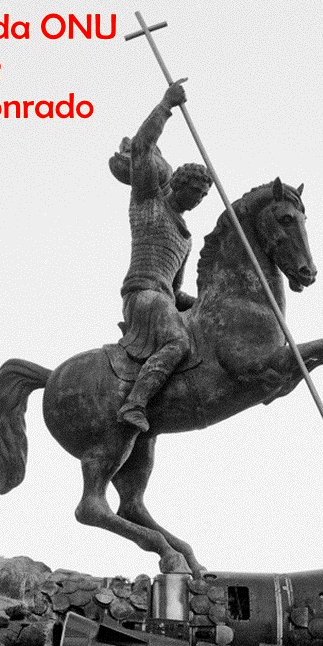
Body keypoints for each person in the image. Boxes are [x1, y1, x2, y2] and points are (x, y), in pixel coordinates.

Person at [115, 81, 213, 433]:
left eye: (202, 197)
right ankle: (135, 403)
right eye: (194, 191)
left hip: (163, 299)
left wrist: (206, 303)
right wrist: (166, 105)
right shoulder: (149, 199)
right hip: (142, 295)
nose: (196, 200)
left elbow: (176, 291)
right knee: (179, 342)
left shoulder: (185, 237)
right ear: (179, 183)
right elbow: (142, 147)